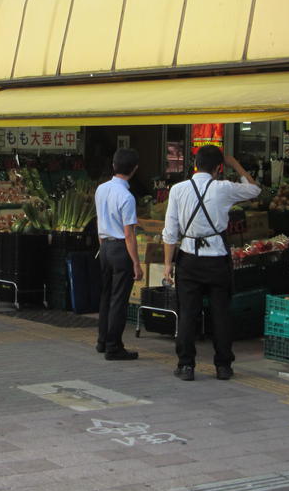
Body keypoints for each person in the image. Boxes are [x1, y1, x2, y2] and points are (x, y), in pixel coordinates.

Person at [162, 145, 261, 381]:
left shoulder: (177, 190)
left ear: (195, 164)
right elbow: (255, 190)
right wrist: (235, 164)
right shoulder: (224, 188)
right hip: (217, 260)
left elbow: (170, 232)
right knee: (221, 314)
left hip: (188, 259)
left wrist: (168, 264)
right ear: (219, 168)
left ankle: (186, 365)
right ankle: (223, 366)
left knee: (187, 313)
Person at [94, 147, 143, 361]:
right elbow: (129, 234)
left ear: (114, 166)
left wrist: (101, 244)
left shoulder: (101, 189)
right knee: (119, 300)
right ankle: (114, 346)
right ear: (135, 170)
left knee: (106, 296)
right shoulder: (127, 197)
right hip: (121, 249)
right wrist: (136, 263)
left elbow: (98, 220)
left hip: (105, 246)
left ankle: (102, 340)